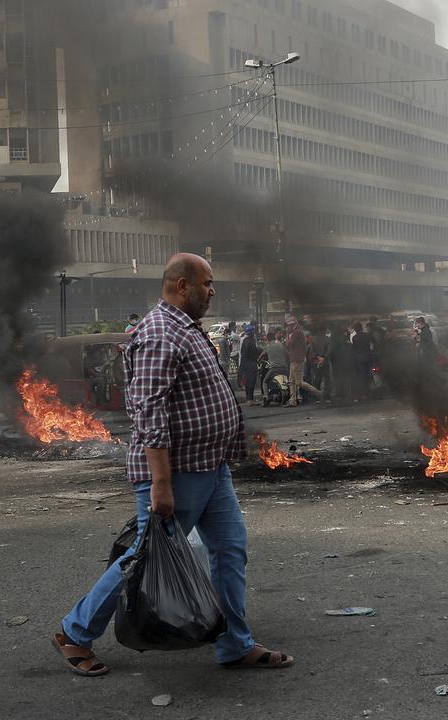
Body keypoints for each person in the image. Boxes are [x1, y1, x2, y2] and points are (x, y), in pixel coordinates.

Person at [53, 253, 291, 676]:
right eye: (208, 284)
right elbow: (148, 411)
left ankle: (235, 644)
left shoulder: (187, 329)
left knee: (229, 550)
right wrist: (160, 482)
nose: (213, 292)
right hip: (176, 474)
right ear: (182, 285)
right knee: (142, 559)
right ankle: (75, 632)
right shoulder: (161, 332)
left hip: (210, 467)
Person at [283, 315, 321, 407]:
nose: (287, 328)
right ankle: (292, 401)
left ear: (292, 325)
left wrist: (287, 334)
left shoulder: (296, 333)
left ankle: (318, 393)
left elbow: (288, 344)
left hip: (296, 360)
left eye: (288, 326)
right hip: (295, 359)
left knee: (299, 382)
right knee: (291, 381)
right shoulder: (298, 332)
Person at [237, 323, 261, 406]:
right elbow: (254, 352)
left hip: (244, 363)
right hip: (251, 364)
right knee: (251, 382)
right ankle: (250, 400)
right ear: (252, 332)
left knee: (248, 382)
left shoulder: (244, 340)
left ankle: (249, 399)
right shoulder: (251, 341)